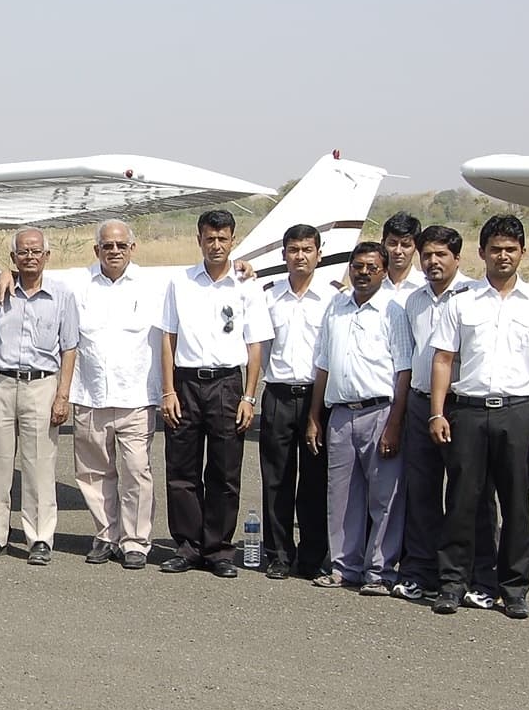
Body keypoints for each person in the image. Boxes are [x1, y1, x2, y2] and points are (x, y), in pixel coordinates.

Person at [428, 215, 529, 619]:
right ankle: (452, 584)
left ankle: (513, 589)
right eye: (495, 249)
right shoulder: (462, 300)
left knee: (516, 504)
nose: (503, 256)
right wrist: (437, 413)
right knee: (461, 502)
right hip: (468, 412)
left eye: (511, 249)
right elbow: (443, 359)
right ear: (482, 253)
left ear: (523, 252)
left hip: (516, 413)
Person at [157, 210, 273, 578]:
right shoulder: (180, 282)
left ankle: (219, 549)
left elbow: (255, 344)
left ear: (233, 240)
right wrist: (168, 390)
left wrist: (249, 397)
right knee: (182, 470)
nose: (216, 245)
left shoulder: (246, 285)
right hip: (186, 383)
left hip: (227, 385)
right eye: (210, 238)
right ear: (199, 240)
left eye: (223, 238)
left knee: (225, 471)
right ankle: (188, 546)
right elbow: (168, 337)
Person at [391, 225, 496, 604]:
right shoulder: (414, 301)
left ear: (458, 257)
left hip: (463, 405)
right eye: (427, 255)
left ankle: (477, 575)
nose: (433, 262)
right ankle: (420, 572)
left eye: (441, 255)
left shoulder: (475, 296)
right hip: (421, 403)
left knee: (471, 495)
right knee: (421, 492)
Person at [305, 243, 412, 593]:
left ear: (384, 271)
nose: (363, 273)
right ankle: (343, 568)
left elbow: (404, 371)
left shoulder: (393, 310)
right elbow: (323, 363)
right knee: (341, 498)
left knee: (385, 499)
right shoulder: (336, 307)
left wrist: (395, 424)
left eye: (371, 267)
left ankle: (380, 572)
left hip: (380, 413)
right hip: (340, 414)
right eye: (357, 266)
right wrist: (315, 415)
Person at [0, 229, 78, 565]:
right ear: (13, 257)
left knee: (39, 465)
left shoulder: (62, 295)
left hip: (42, 385)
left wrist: (63, 395)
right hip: (1, 383)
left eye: (35, 251)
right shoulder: (0, 292)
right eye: (23, 252)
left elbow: (69, 348)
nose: (30, 257)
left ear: (47, 256)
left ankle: (40, 539)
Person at [65, 221, 161, 570]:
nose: (115, 251)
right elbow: (33, 273)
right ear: (97, 250)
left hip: (136, 396)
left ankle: (135, 541)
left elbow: (205, 278)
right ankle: (106, 535)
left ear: (132, 248)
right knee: (94, 473)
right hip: (90, 395)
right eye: (107, 246)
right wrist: (6, 274)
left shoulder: (154, 285)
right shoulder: (77, 284)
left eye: (121, 245)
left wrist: (243, 269)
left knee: (136, 471)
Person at [257, 225, 333, 580]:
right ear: (283, 254)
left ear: (319, 253)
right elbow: (261, 349)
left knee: (315, 480)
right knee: (276, 479)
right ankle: (278, 553)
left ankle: (314, 555)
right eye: (293, 250)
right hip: (279, 395)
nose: (300, 256)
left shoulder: (333, 297)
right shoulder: (269, 296)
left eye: (307, 249)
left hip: (318, 397)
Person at [379, 212, 426, 306]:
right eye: (392, 244)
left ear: (416, 247)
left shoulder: (426, 286)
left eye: (405, 245)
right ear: (383, 244)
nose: (398, 251)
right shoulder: (370, 285)